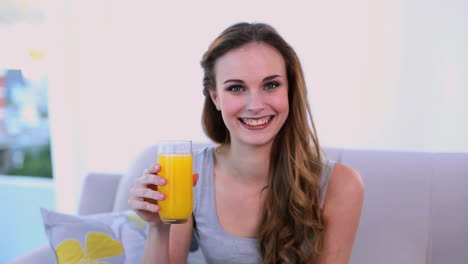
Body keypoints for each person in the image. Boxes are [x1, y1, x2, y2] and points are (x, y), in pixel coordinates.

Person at [128, 22, 365, 264]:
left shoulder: (341, 185)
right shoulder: (189, 174)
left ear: (290, 91)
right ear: (215, 97)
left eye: (271, 85)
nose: (255, 105)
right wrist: (159, 227)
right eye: (236, 88)